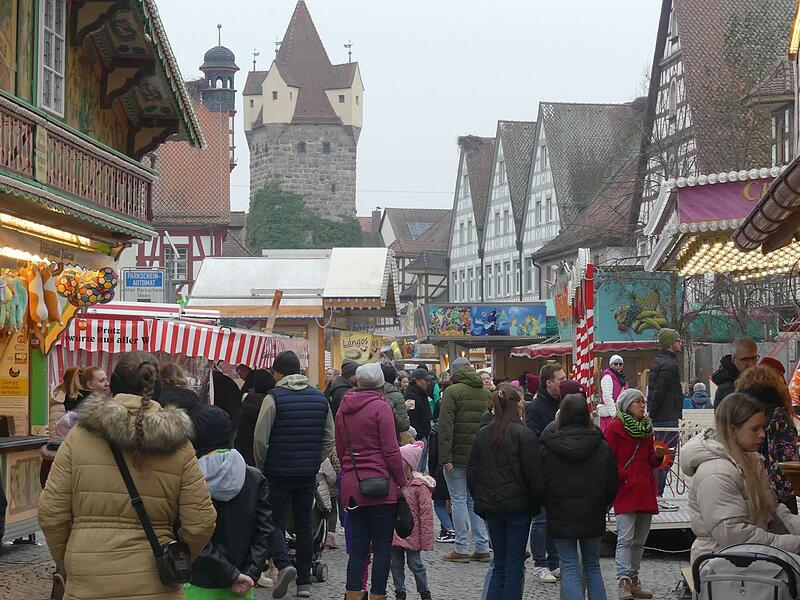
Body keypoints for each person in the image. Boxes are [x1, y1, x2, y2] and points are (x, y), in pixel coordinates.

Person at [38, 351, 216, 600]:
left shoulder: (78, 437)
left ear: (114, 383)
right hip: (156, 580)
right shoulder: (179, 446)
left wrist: (69, 558)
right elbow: (201, 522)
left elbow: (50, 513)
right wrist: (176, 556)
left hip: (89, 577)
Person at [681, 392, 800, 566]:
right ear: (732, 430)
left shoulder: (751, 460)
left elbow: (774, 512)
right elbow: (735, 536)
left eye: (762, 427)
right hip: (723, 568)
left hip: (748, 560)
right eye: (755, 429)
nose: (762, 434)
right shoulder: (716, 473)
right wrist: (795, 544)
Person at [252, 351, 333, 599]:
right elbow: (330, 439)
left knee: (273, 521)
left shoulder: (274, 397)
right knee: (305, 525)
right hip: (307, 473)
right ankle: (304, 583)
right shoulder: (320, 398)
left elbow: (260, 439)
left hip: (277, 472)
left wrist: (263, 465)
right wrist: (313, 459)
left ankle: (284, 563)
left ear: (278, 373)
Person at [336, 362, 408, 600]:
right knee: (381, 548)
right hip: (381, 486)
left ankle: (353, 594)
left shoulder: (343, 408)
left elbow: (340, 448)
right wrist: (402, 482)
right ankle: (378, 595)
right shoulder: (381, 408)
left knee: (357, 550)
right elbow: (390, 451)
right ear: (380, 384)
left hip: (353, 486)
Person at [186, 405, 272, 600]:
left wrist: (230, 575)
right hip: (243, 583)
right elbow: (264, 530)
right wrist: (249, 573)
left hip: (200, 581)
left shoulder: (190, 479)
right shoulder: (254, 477)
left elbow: (193, 535)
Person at [467, 383, 542, 600]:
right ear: (516, 406)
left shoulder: (483, 434)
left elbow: (473, 473)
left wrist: (481, 498)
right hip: (518, 508)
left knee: (500, 564)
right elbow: (534, 475)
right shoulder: (524, 435)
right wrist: (535, 503)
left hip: (492, 507)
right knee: (513, 565)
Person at [541, 394, 618, 600]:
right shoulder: (601, 445)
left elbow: (540, 481)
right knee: (593, 566)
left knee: (569, 564)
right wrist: (603, 504)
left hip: (559, 512)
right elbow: (612, 482)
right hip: (592, 511)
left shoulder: (548, 446)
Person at [605, 388, 664, 600]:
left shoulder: (647, 429)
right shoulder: (614, 428)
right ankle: (623, 582)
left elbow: (649, 459)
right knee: (625, 539)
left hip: (644, 489)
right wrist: (624, 475)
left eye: (643, 401)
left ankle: (634, 578)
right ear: (627, 404)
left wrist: (657, 457)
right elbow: (607, 459)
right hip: (626, 488)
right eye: (638, 401)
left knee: (640, 539)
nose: (642, 405)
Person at [437, 357, 491, 563]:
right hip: (479, 457)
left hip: (457, 458)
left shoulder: (452, 392)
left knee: (458, 499)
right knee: (473, 501)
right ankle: (482, 546)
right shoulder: (486, 392)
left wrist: (445, 457)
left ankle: (461, 546)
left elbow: (445, 427)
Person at [735, 365, 800, 513]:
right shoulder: (778, 415)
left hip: (745, 488)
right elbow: (787, 459)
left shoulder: (739, 411)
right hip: (776, 498)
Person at [525, 363, 566, 583]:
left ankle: (554, 562)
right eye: (560, 379)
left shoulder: (562, 404)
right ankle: (540, 564)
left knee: (554, 519)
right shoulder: (536, 407)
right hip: (542, 470)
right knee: (541, 521)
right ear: (548, 382)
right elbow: (534, 440)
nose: (563, 382)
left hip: (559, 472)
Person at [391, 441, 435, 600]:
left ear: (408, 464)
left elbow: (426, 515)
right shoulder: (393, 483)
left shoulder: (419, 487)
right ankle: (400, 591)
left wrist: (426, 540)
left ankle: (424, 592)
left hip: (413, 535)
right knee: (395, 564)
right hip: (395, 534)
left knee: (416, 564)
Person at [646, 327, 682, 509]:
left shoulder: (659, 362)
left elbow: (655, 391)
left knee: (661, 456)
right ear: (669, 343)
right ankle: (658, 495)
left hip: (662, 416)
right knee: (665, 457)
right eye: (677, 340)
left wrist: (651, 413)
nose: (680, 343)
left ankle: (656, 493)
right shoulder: (669, 365)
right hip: (667, 416)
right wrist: (653, 413)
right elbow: (660, 391)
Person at [235, 369, 275, 467]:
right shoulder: (273, 405)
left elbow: (240, 438)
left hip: (247, 460)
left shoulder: (246, 404)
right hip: (269, 461)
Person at [711, 337, 759, 408]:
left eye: (754, 358)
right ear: (733, 360)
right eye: (745, 359)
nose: (751, 364)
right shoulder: (725, 389)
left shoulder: (762, 381)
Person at [406, 369, 433, 472]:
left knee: (422, 466)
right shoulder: (411, 395)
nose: (428, 382)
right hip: (419, 436)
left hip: (424, 434)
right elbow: (411, 416)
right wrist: (419, 434)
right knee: (418, 467)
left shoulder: (422, 393)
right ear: (418, 380)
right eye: (426, 380)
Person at [381, 363, 412, 440]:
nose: (406, 384)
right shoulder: (397, 396)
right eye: (404, 382)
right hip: (393, 438)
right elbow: (404, 425)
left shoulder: (373, 392)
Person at [600, 355, 628, 432]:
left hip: (620, 415)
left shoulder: (622, 379)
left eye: (620, 364)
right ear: (610, 365)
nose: (618, 366)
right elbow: (607, 398)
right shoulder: (607, 378)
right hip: (610, 416)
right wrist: (614, 415)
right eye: (615, 364)